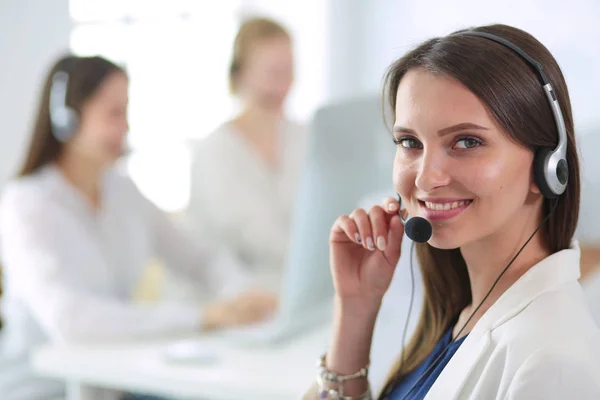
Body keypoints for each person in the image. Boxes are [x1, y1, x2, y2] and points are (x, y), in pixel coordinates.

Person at [304, 24, 600, 400]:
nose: (426, 179)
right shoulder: (461, 315)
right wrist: (355, 309)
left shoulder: (552, 362)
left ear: (548, 167)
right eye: (410, 142)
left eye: (466, 141)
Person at [0, 55, 276, 400]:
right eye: (113, 114)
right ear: (66, 120)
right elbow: (72, 321)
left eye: (126, 111)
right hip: (41, 388)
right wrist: (203, 317)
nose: (126, 128)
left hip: (112, 380)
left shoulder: (122, 191)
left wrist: (244, 295)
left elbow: (199, 258)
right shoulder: (27, 204)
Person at [182, 17, 308, 295]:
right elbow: (255, 236)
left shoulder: (306, 138)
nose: (281, 86)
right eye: (272, 73)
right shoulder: (215, 152)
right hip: (233, 297)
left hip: (296, 292)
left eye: (288, 71)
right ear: (240, 74)